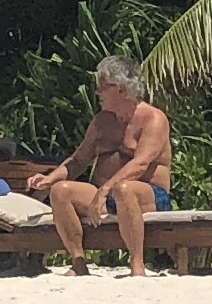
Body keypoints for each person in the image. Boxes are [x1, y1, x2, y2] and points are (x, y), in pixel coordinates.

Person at [26, 56, 174, 274]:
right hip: (106, 196)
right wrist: (49, 179)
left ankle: (137, 264)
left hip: (148, 196)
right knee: (60, 191)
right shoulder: (102, 121)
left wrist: (105, 190)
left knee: (124, 189)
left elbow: (140, 164)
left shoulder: (153, 119)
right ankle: (78, 261)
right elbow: (78, 161)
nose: (98, 92)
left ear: (122, 89)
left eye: (104, 87)